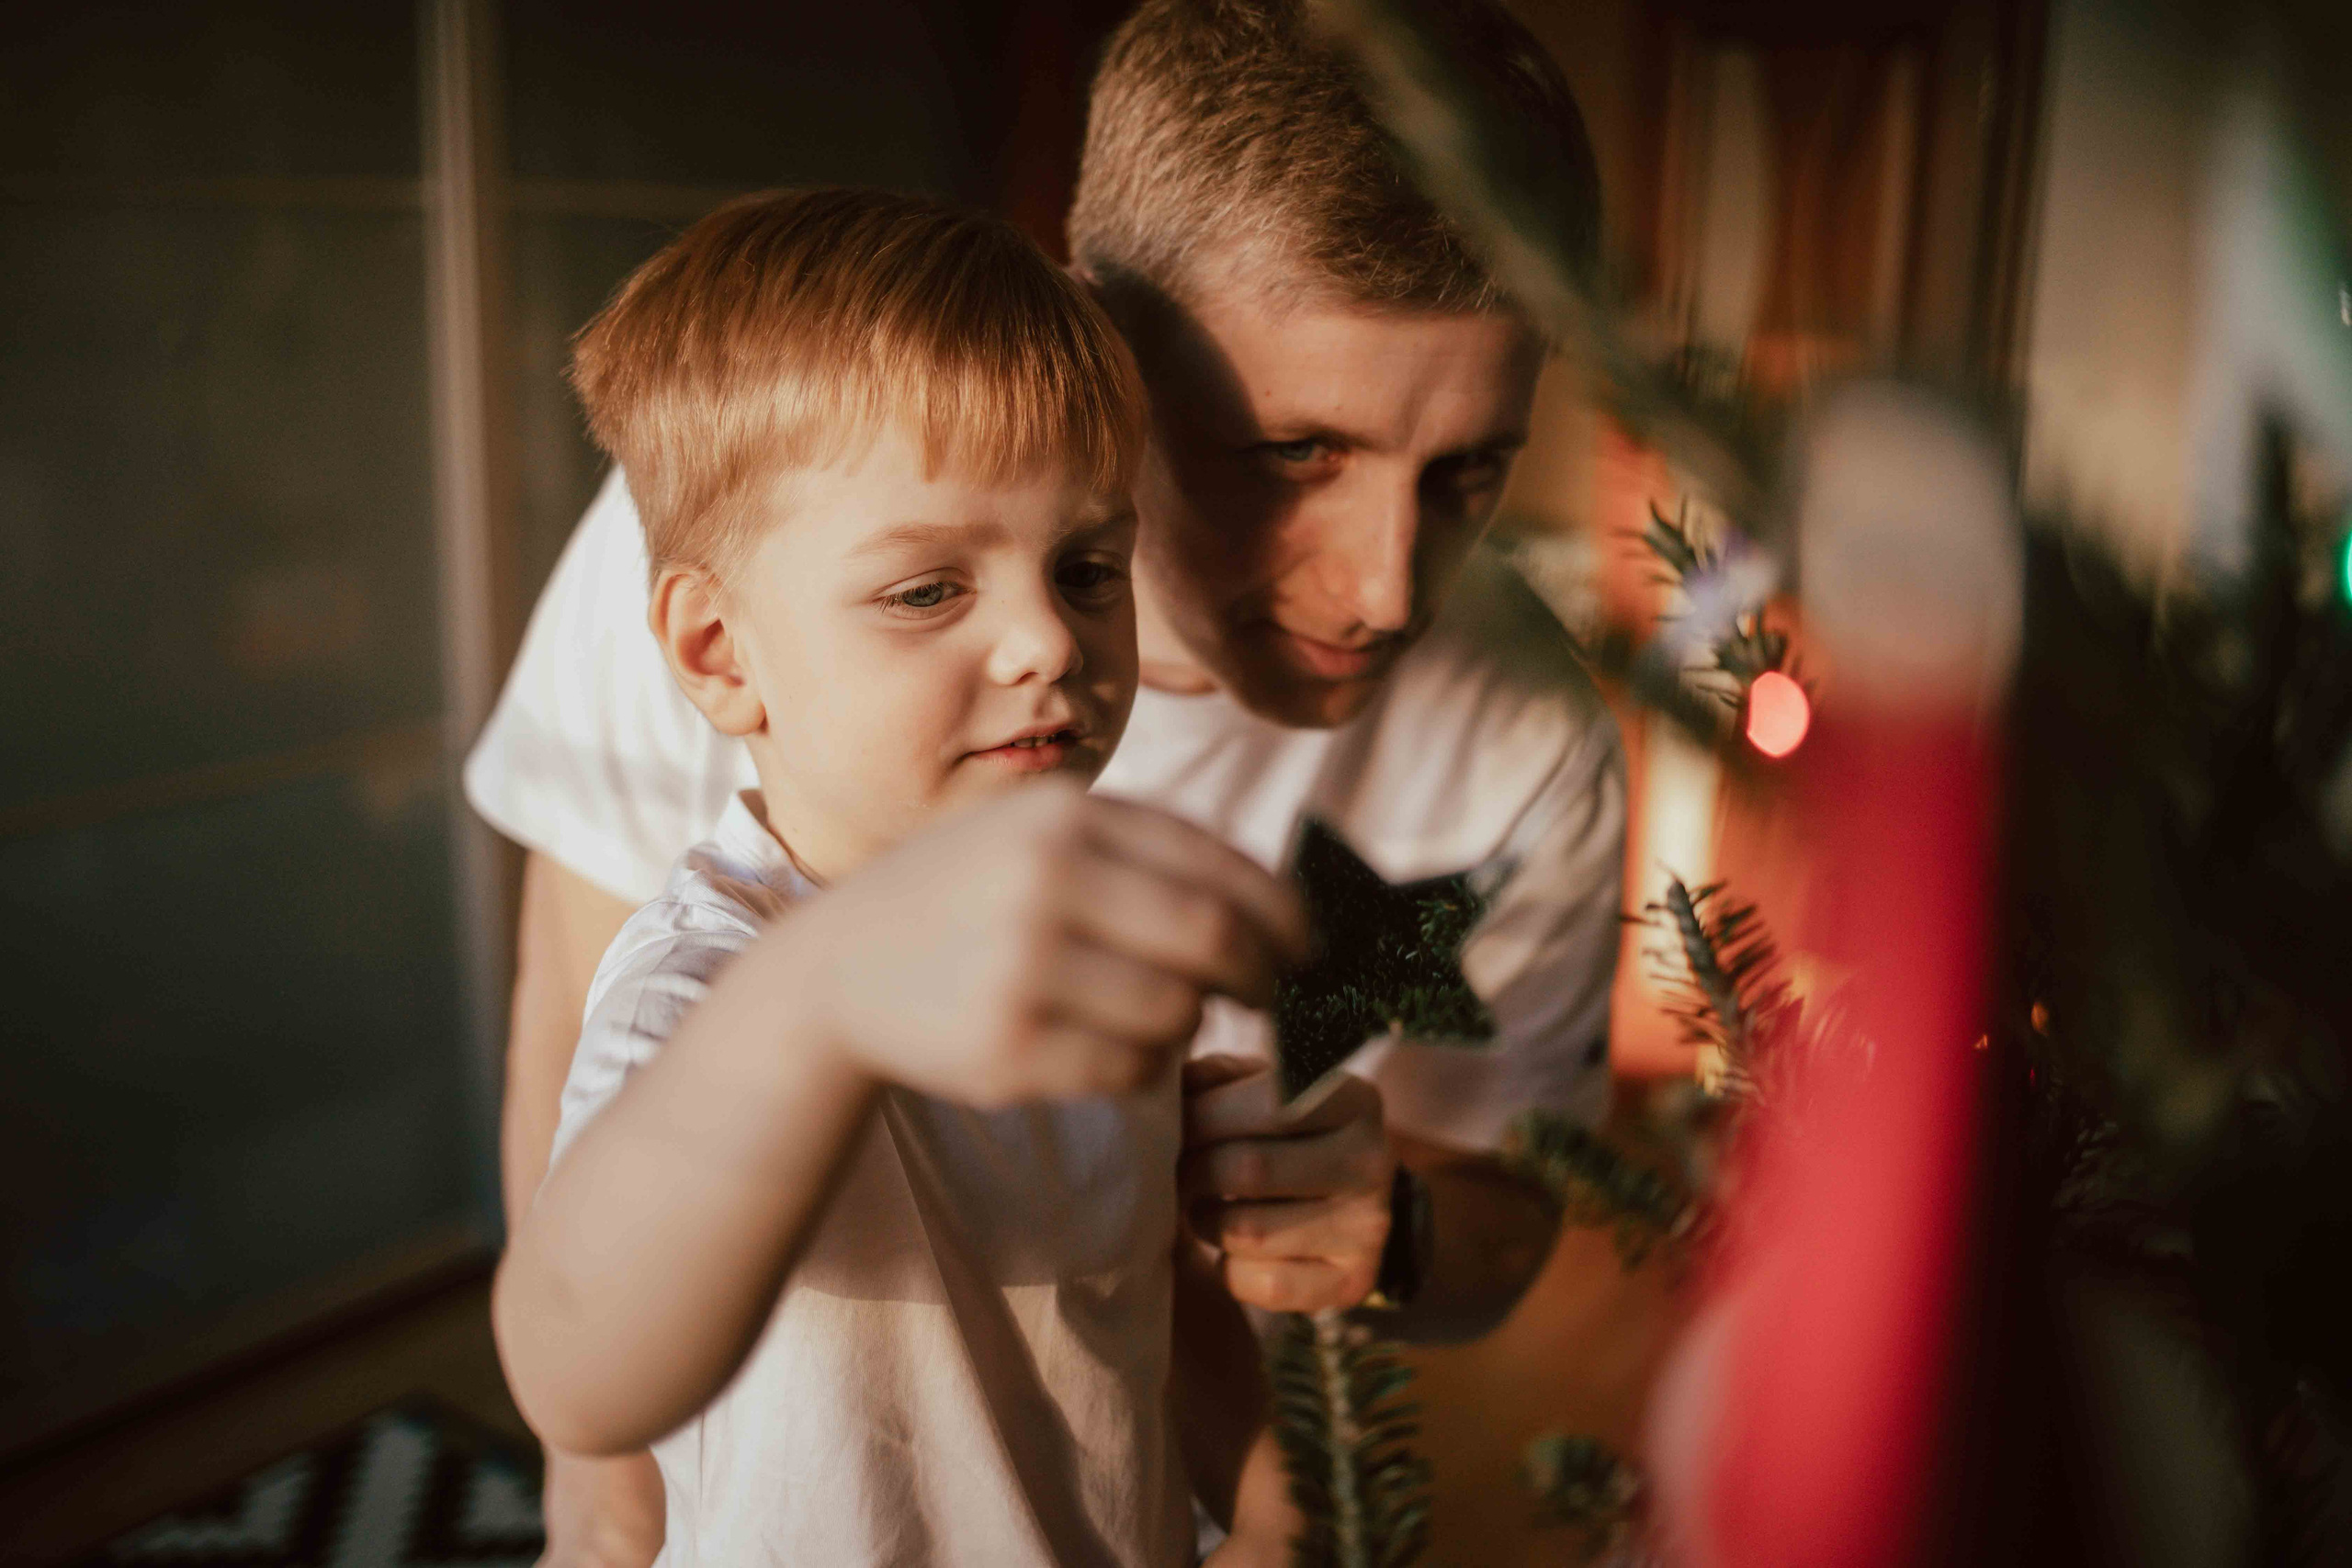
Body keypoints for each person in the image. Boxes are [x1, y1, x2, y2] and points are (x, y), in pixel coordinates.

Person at [467, 1, 1625, 1561]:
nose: (1387, 594)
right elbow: (578, 1274)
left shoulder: (1522, 739)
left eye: (1471, 468)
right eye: (1292, 453)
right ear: (1103, 339)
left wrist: (1336, 1352)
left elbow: (1154, 1297)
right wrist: (603, 1520)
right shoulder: (769, 521)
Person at [493, 186, 1312, 1566]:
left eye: (1087, 567)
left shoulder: (1088, 946)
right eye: (928, 590)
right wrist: (816, 1004)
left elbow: (1147, 1292)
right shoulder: (711, 984)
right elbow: (581, 1370)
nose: (1046, 641)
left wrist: (1279, 1502)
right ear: (718, 654)